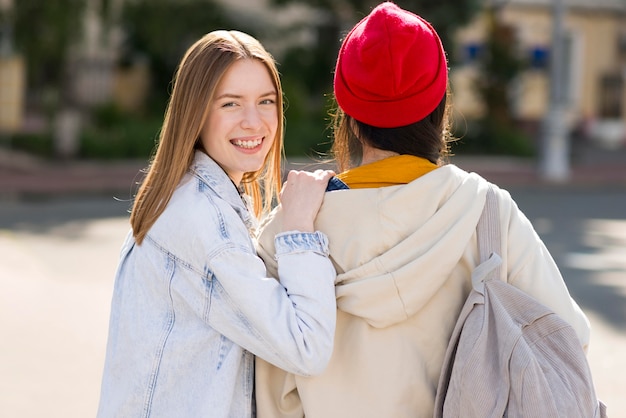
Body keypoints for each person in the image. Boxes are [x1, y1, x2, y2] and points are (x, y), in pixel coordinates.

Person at [254, 2, 592, 417]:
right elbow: (568, 337)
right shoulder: (489, 213)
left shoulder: (288, 233)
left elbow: (270, 395)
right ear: (439, 108)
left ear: (349, 116)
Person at [96, 30, 338, 418]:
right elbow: (305, 347)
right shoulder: (208, 228)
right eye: (230, 104)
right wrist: (298, 230)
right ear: (196, 112)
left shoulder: (181, 198)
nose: (254, 121)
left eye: (266, 101)